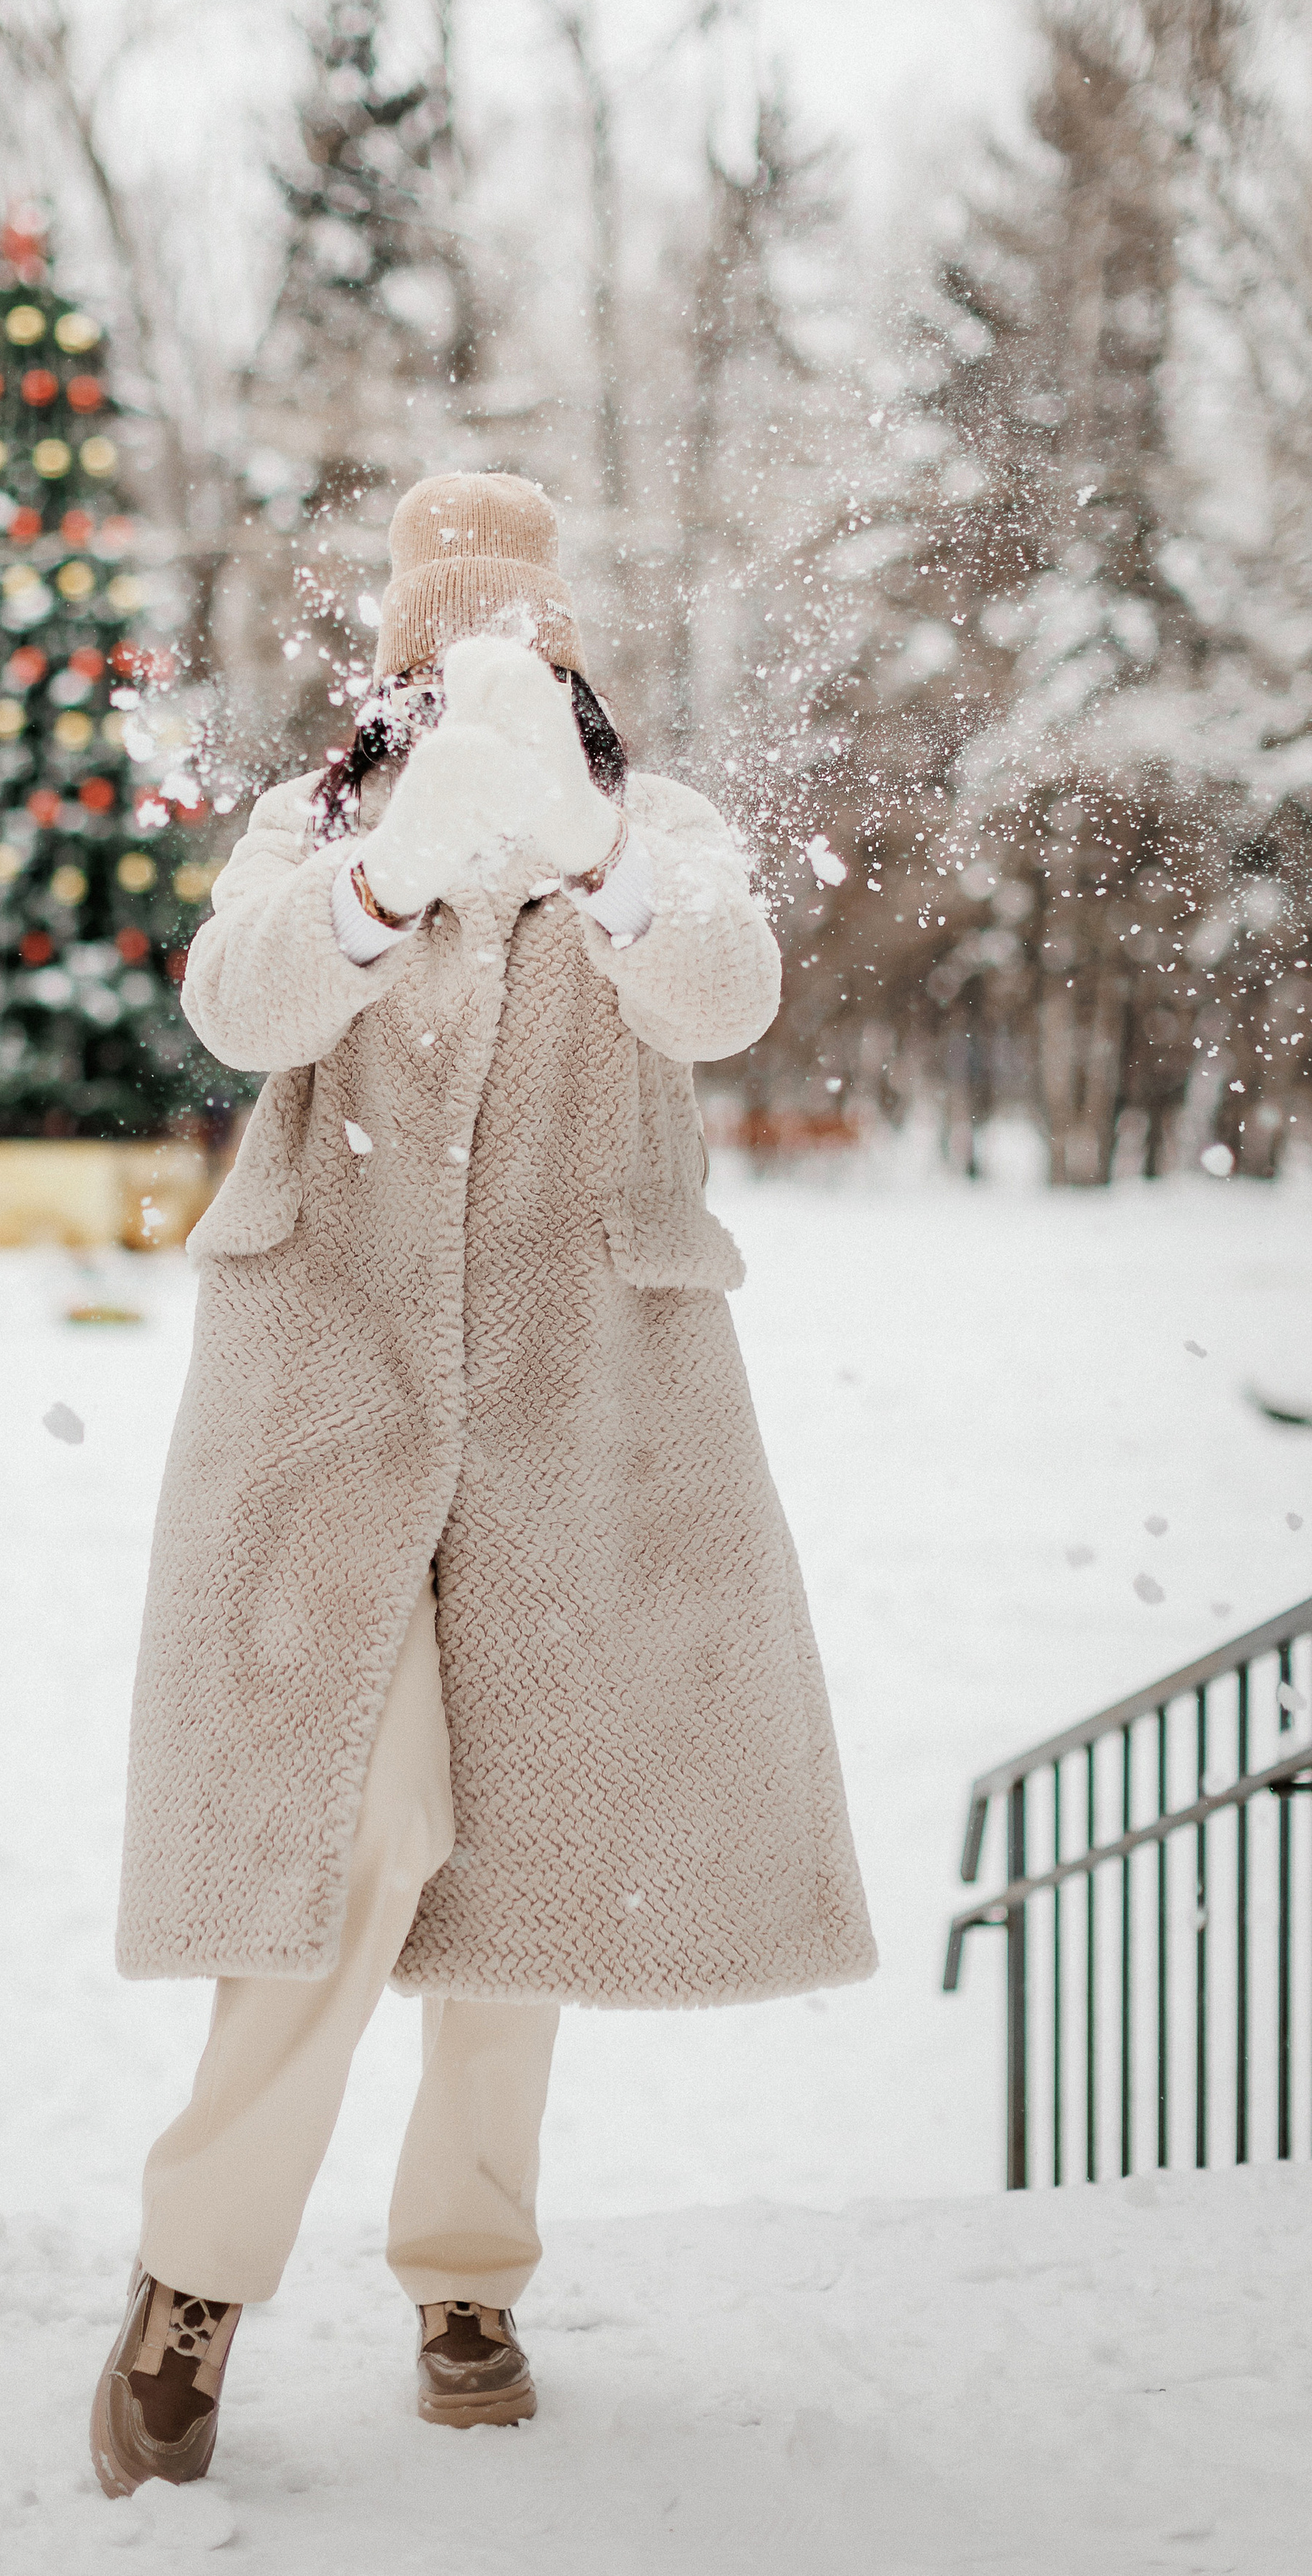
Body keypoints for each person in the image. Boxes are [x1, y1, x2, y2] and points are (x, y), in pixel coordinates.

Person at [89, 471, 875, 2499]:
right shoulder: (320, 826)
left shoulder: (655, 830)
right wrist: (380, 881)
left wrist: (594, 854)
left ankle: (466, 2275)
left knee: (518, 1864)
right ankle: (195, 2282)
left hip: (571, 1404)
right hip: (326, 1408)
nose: (473, 672)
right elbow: (231, 1001)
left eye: (507, 637)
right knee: (349, 1836)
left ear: (564, 648)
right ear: (397, 660)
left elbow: (725, 991)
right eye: (438, 643)